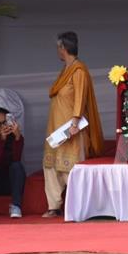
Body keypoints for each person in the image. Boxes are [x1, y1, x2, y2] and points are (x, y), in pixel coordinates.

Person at [42, 32, 104, 217]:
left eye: (59, 48)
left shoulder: (78, 71)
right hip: (56, 128)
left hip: (70, 128)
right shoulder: (65, 70)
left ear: (64, 48)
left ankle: (82, 207)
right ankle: (54, 206)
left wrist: (75, 121)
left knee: (71, 168)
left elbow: (80, 97)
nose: (58, 51)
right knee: (51, 166)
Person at [0, 108, 25, 218]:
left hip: (9, 183)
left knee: (17, 166)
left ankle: (16, 206)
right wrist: (1, 141)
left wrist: (17, 137)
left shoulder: (15, 138)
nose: (3, 127)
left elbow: (16, 159)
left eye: (5, 122)